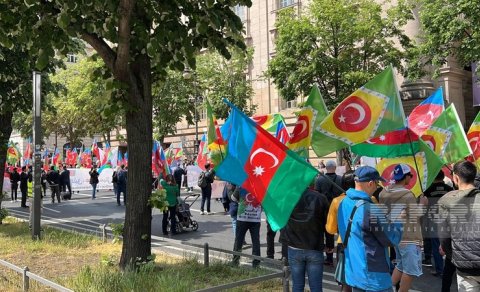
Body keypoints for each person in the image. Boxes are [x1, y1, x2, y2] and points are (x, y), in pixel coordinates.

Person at [338, 166, 402, 292]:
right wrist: (399, 220)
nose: (377, 187)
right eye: (377, 183)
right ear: (370, 183)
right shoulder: (370, 209)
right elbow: (392, 238)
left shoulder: (343, 203)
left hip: (354, 271)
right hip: (373, 276)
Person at [379, 164, 427, 292]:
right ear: (405, 177)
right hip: (409, 237)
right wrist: (422, 205)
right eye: (410, 176)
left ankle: (386, 289)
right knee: (410, 271)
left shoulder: (384, 192)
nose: (411, 178)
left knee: (400, 265)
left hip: (396, 235)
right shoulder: (407, 195)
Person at [438, 161, 480, 292]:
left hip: (464, 266)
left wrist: (454, 257)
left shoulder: (445, 201)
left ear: (455, 178)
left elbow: (444, 238)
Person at [283, 185, 329, 292]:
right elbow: (327, 224)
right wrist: (330, 244)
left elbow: (283, 220)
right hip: (314, 246)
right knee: (316, 286)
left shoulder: (288, 197)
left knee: (297, 285)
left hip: (294, 245)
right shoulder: (320, 198)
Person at [326, 172, 355, 292]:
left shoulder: (336, 201)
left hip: (343, 243)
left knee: (345, 282)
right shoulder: (371, 199)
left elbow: (330, 229)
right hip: (365, 245)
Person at [422, 170, 452, 276]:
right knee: (449, 244)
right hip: (448, 220)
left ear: (434, 177)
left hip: (433, 220)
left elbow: (423, 206)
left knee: (436, 245)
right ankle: (450, 269)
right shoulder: (450, 189)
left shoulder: (428, 190)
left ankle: (440, 270)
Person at [314, 159, 342, 266]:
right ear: (335, 168)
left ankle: (328, 258)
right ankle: (340, 257)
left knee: (326, 233)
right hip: (338, 209)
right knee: (341, 233)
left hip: (324, 210)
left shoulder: (319, 180)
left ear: (326, 168)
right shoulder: (340, 179)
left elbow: (316, 196)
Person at [232, 188, 262, 268]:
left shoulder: (241, 185)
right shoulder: (260, 187)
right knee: (255, 241)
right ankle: (256, 263)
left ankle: (235, 261)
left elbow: (233, 198)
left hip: (242, 217)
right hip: (255, 218)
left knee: (238, 240)